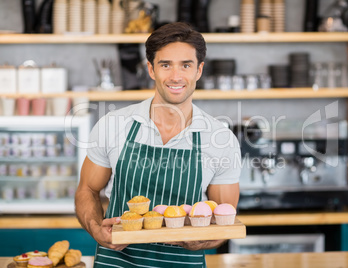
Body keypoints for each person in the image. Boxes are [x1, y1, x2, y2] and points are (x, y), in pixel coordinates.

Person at [75, 22, 241, 267]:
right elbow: (87, 190)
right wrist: (97, 229)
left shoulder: (221, 139)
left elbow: (224, 220)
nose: (176, 76)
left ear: (199, 70)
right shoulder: (114, 124)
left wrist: (201, 241)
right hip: (117, 261)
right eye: (165, 65)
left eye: (186, 65)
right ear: (151, 69)